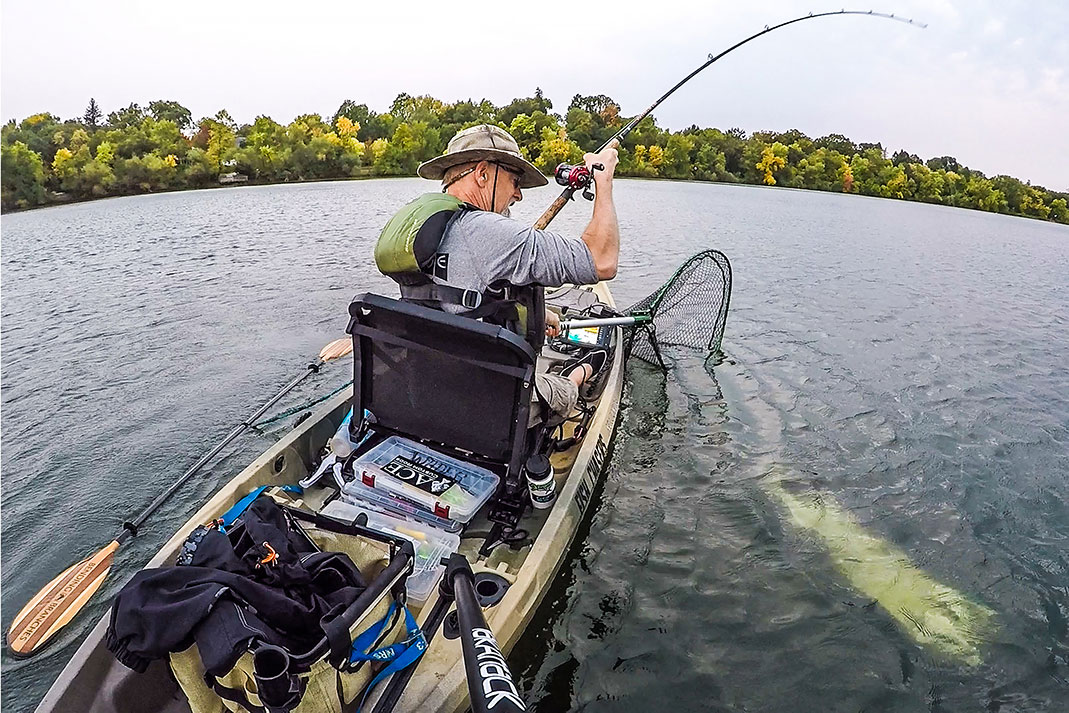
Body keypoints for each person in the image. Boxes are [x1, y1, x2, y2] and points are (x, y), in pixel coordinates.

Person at [376, 124, 620, 424]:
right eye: (514, 181)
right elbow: (602, 260)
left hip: (424, 388)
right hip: (486, 408)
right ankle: (578, 373)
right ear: (482, 174)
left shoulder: (423, 228)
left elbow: (455, 302)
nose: (518, 194)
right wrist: (604, 181)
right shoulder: (490, 234)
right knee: (566, 387)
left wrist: (539, 316)